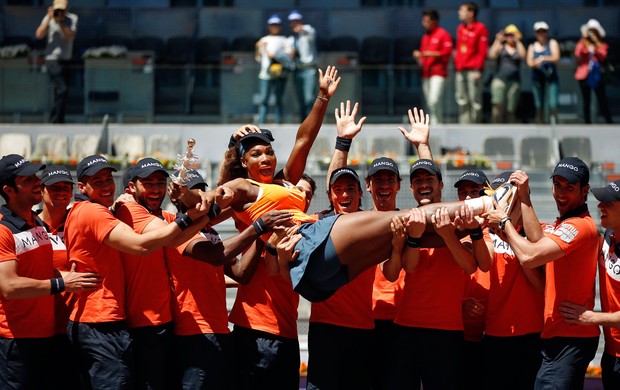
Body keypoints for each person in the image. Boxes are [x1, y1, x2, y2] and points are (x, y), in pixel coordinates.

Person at [219, 66, 339, 390]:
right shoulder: (243, 192)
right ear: (244, 163)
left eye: (269, 151)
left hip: (285, 327)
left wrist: (322, 98)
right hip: (254, 326)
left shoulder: (286, 184)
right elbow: (218, 197)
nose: (266, 157)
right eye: (256, 153)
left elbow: (304, 139)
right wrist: (232, 146)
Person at [64, 155, 211, 389]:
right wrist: (189, 218)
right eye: (97, 181)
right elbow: (141, 246)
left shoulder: (107, 210)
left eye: (107, 179)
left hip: (107, 319)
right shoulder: (98, 211)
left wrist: (203, 215)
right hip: (103, 320)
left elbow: (171, 239)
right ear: (82, 186)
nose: (106, 186)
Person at [483, 158, 600, 389]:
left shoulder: (580, 226)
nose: (561, 194)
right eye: (557, 185)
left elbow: (530, 256)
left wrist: (505, 221)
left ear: (585, 190)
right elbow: (537, 241)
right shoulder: (559, 225)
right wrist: (524, 198)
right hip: (556, 334)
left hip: (569, 336)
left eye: (569, 187)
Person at [0, 154, 99, 389]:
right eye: (27, 179)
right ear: (9, 189)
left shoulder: (35, 223)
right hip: (17, 342)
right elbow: (9, 286)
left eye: (36, 176)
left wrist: (71, 278)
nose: (36, 181)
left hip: (49, 336)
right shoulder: (3, 228)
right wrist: (62, 284)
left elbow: (40, 271)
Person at [305, 167, 376, 390]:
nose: (345, 195)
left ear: (361, 193)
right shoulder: (317, 224)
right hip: (325, 328)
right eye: (338, 190)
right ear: (330, 196)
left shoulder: (373, 224)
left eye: (350, 189)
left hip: (361, 328)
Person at [480, 171, 545, 390]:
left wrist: (509, 232)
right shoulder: (485, 233)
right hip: (494, 334)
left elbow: (539, 283)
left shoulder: (537, 232)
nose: (502, 205)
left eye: (509, 198)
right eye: (498, 199)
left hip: (532, 335)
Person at [559, 179, 620, 389]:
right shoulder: (608, 236)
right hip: (612, 356)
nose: (600, 206)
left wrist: (592, 317)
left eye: (609, 203)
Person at [37, 164, 82, 389]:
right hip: (37, 327)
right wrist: (60, 277)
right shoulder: (28, 225)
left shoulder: (79, 224)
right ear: (42, 190)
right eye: (55, 187)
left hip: (75, 325)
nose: (62, 192)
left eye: (66, 187)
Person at [364, 157, 406, 390]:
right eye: (378, 180)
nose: (384, 185)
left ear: (399, 185)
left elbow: (435, 194)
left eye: (390, 179)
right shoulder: (357, 223)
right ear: (368, 185)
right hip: (364, 323)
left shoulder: (410, 222)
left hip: (401, 324)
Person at [35, 0, 77, 124]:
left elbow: (70, 36)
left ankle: (59, 120)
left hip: (66, 60)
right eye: (58, 10)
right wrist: (49, 18)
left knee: (60, 92)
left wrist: (61, 23)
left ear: (67, 9)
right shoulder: (49, 18)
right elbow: (38, 34)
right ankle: (55, 121)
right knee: (62, 89)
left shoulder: (72, 18)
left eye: (62, 10)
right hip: (52, 60)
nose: (60, 13)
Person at [414, 9, 453, 125]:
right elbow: (422, 55)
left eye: (426, 21)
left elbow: (447, 52)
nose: (424, 23)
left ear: (434, 21)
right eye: (423, 21)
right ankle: (434, 124)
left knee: (434, 100)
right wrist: (418, 56)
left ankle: (437, 124)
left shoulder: (443, 34)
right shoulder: (425, 37)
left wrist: (430, 53)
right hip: (426, 73)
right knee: (429, 103)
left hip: (439, 73)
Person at [454, 2, 488, 124]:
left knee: (475, 100)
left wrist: (479, 69)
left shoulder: (480, 28)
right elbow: (459, 49)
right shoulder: (460, 28)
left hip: (474, 70)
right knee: (461, 99)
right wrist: (457, 65)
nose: (459, 12)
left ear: (471, 13)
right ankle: (464, 125)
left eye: (462, 10)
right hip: (460, 70)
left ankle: (475, 126)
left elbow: (482, 51)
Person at [574, 18, 613, 124]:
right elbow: (577, 53)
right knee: (586, 100)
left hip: (596, 75)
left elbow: (602, 56)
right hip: (584, 74)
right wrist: (584, 39)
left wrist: (595, 44)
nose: (592, 34)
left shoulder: (602, 45)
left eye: (594, 32)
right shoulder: (582, 43)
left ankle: (608, 120)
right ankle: (587, 122)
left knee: (602, 99)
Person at [255, 14, 290, 125]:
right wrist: (258, 47)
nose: (275, 27)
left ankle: (278, 122)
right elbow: (258, 58)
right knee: (263, 99)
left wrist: (275, 55)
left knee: (279, 99)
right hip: (265, 74)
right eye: (272, 25)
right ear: (269, 26)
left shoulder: (285, 40)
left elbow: (288, 57)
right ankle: (261, 122)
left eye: (277, 25)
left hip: (279, 73)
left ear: (280, 26)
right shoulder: (264, 40)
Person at [488, 24, 526, 123]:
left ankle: (509, 128)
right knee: (497, 104)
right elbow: (491, 55)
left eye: (512, 35)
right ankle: (495, 126)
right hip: (500, 79)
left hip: (514, 80)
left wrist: (517, 40)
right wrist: (498, 40)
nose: (510, 37)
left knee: (511, 108)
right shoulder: (501, 47)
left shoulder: (518, 47)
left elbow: (523, 56)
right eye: (508, 34)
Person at [287, 9, 319, 122]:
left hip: (309, 69)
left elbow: (310, 31)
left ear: (301, 21)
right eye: (292, 21)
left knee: (309, 98)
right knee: (300, 98)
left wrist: (301, 28)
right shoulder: (291, 39)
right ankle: (303, 121)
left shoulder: (308, 32)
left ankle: (311, 121)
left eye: (296, 20)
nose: (294, 23)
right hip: (297, 69)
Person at [526, 21, 561, 124]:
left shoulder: (552, 43)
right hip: (537, 78)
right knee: (538, 104)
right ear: (535, 33)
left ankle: (554, 126)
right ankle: (540, 126)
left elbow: (556, 57)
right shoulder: (532, 46)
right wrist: (535, 63)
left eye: (544, 31)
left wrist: (543, 58)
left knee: (553, 103)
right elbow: (529, 62)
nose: (541, 34)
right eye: (539, 32)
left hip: (550, 77)